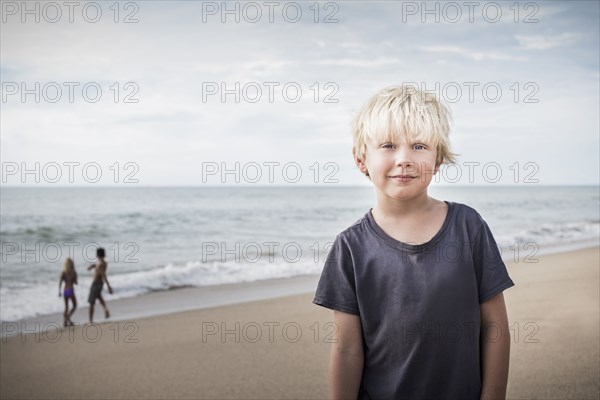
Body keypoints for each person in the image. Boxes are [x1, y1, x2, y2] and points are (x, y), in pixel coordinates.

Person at [313, 85, 515, 399]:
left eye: (419, 146)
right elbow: (348, 349)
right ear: (361, 158)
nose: (404, 159)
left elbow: (495, 328)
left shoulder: (468, 227)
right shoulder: (350, 247)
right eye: (389, 145)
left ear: (438, 159)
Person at [87, 247, 113, 323]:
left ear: (97, 255)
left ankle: (90, 321)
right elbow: (99, 269)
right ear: (104, 254)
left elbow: (103, 274)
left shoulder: (99, 264)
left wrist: (109, 286)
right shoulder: (103, 263)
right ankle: (106, 309)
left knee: (91, 302)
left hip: (95, 284)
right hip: (100, 284)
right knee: (99, 297)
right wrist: (93, 266)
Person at [58, 257, 78, 326]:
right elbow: (76, 282)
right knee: (75, 305)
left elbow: (60, 282)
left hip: (65, 290)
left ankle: (65, 322)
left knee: (66, 307)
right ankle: (68, 318)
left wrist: (59, 291)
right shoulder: (74, 272)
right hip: (71, 290)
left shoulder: (63, 272)